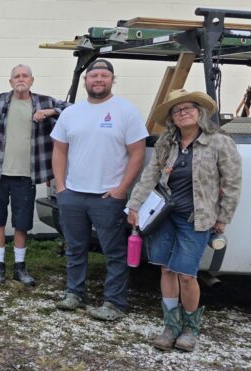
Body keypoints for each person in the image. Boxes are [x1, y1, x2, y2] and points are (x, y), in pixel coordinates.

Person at [127, 89, 241, 351]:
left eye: (188, 107)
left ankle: (190, 329)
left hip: (196, 218)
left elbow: (232, 183)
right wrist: (134, 205)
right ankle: (171, 326)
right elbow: (150, 175)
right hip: (163, 216)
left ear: (199, 112)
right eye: (177, 110)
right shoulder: (167, 143)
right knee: (166, 269)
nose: (183, 112)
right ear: (172, 118)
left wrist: (223, 217)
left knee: (186, 274)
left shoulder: (219, 142)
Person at [51, 59, 148, 321]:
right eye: (93, 75)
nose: (98, 80)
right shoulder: (71, 113)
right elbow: (59, 150)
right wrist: (61, 186)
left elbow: (137, 153)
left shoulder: (125, 111)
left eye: (104, 76)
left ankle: (114, 303)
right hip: (73, 194)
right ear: (86, 81)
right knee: (74, 247)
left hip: (108, 197)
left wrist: (121, 189)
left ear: (112, 80)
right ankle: (74, 293)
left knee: (114, 252)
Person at [0, 65, 71, 286]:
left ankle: (20, 268)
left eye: (25, 76)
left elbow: (73, 109)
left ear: (32, 80)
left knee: (22, 224)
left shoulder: (44, 102)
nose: (21, 79)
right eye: (16, 76)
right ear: (10, 82)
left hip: (25, 176)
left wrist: (51, 112)